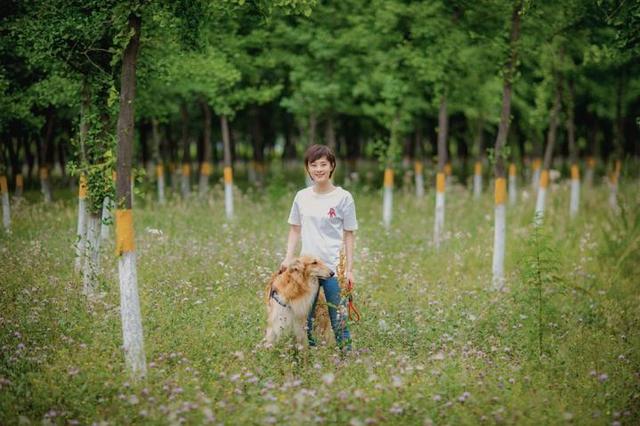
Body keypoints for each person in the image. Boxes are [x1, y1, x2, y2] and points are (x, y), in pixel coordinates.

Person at [280, 144, 358, 349]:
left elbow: (349, 234)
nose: (318, 169)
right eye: (313, 165)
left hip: (334, 268)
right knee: (305, 320)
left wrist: (349, 270)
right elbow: (295, 229)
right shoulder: (302, 197)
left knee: (339, 319)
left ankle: (347, 359)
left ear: (332, 166)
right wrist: (288, 257)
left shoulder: (344, 197)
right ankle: (309, 359)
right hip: (308, 270)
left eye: (323, 164)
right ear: (308, 168)